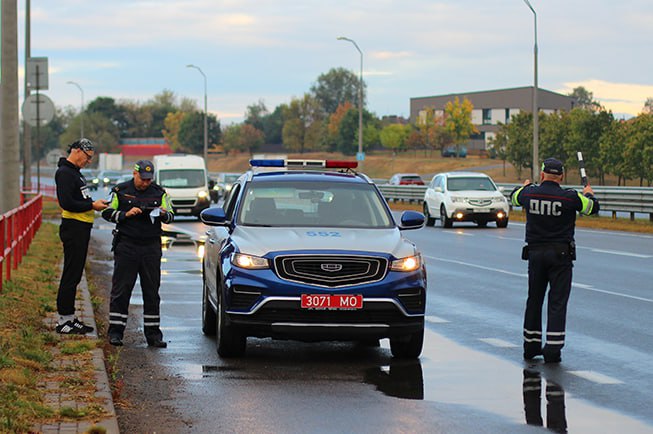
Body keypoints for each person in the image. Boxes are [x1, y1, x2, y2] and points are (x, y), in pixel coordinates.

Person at [510, 157, 599, 363]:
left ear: (542, 175)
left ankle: (530, 346)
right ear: (561, 176)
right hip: (560, 256)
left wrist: (525, 186)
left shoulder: (530, 193)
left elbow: (514, 196)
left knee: (534, 299)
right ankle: (552, 348)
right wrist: (589, 194)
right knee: (557, 302)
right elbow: (592, 208)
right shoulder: (570, 197)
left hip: (535, 254)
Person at [102, 160, 174, 347]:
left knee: (151, 292)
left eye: (149, 179)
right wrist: (126, 214)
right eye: (143, 179)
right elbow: (107, 212)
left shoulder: (160, 192)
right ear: (135, 174)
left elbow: (172, 214)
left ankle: (153, 335)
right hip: (127, 246)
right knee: (121, 290)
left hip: (151, 247)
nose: (146, 183)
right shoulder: (120, 190)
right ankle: (116, 332)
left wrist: (164, 214)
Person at [55, 138, 109, 334]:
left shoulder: (75, 173)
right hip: (73, 228)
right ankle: (63, 321)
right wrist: (91, 206)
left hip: (82, 227)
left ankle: (70, 317)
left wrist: (93, 202)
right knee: (70, 274)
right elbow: (67, 202)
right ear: (77, 151)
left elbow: (80, 198)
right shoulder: (65, 173)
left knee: (76, 274)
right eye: (87, 157)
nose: (88, 161)